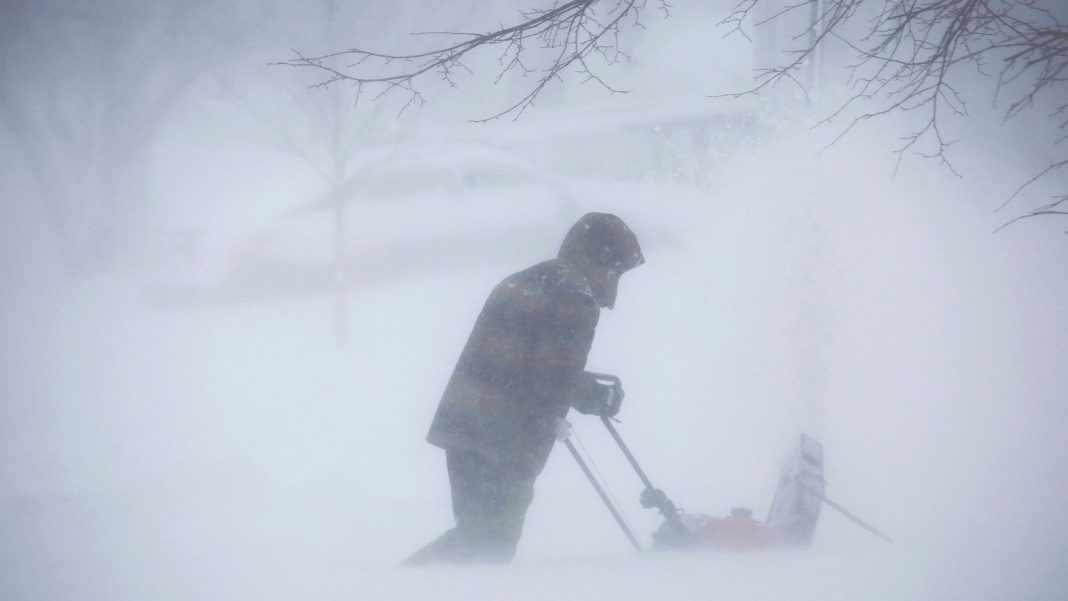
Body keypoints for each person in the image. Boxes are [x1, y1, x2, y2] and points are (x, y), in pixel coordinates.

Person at [403, 213, 645, 565]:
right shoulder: (575, 297)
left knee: (475, 536)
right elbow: (554, 375)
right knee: (490, 544)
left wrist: (581, 387)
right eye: (617, 269)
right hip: (507, 437)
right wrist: (597, 397)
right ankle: (394, 587)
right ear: (601, 259)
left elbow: (530, 360)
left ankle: (406, 585)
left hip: (464, 424)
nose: (615, 280)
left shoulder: (524, 280)